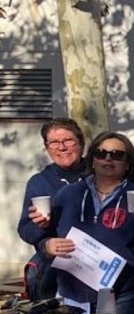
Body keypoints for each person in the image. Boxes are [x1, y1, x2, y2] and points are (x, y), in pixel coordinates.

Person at [44, 132, 134, 314]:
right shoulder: (67, 194)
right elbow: (41, 234)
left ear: (128, 164)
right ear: (92, 160)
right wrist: (48, 245)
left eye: (117, 154)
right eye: (101, 153)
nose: (108, 158)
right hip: (72, 294)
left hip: (121, 295)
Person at [18, 118, 88, 300]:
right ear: (47, 148)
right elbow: (25, 230)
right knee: (37, 273)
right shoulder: (39, 182)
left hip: (96, 257)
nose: (62, 147)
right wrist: (44, 238)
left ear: (81, 142)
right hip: (58, 260)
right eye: (54, 142)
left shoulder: (99, 174)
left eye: (68, 140)